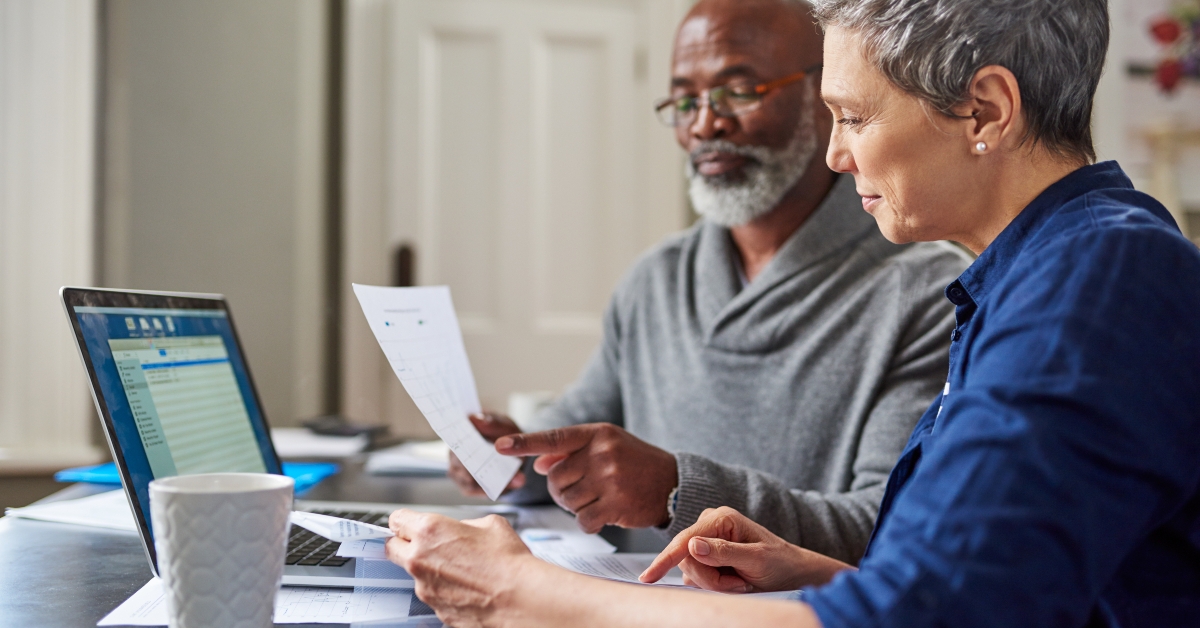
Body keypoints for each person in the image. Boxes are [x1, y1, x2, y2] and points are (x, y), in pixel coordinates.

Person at [384, 0, 1200, 626]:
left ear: (984, 110)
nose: (837, 152)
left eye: (852, 116)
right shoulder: (1033, 277)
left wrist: (528, 594)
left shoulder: (1095, 280)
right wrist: (814, 574)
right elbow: (983, 591)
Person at [449, 0, 970, 564]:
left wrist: (678, 490)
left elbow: (886, 522)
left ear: (825, 98)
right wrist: (513, 457)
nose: (704, 124)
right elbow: (578, 431)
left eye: (738, 91)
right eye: (685, 100)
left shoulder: (929, 294)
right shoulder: (656, 279)